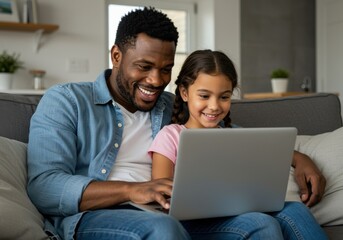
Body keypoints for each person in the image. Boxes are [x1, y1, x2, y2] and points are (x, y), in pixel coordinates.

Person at [27, 7, 326, 240]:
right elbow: (44, 186)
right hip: (101, 215)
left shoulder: (172, 104)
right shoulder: (66, 101)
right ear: (116, 55)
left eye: (166, 69)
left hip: (174, 213)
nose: (156, 81)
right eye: (144, 67)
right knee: (161, 230)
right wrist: (133, 190)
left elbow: (231, 139)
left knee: (261, 223)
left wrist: (298, 158)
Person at [148, 49, 328, 239]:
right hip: (191, 223)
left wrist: (302, 159)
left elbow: (275, 149)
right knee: (260, 223)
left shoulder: (235, 136)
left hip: (234, 213)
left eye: (224, 97)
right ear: (185, 93)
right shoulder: (170, 136)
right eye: (204, 96)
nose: (215, 106)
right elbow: (161, 196)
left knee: (295, 210)